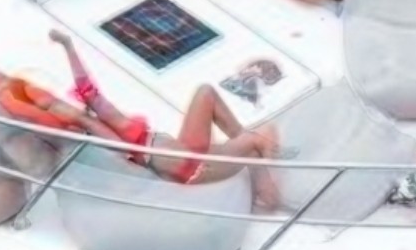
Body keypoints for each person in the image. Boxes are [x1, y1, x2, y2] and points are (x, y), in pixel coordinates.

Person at [62, 46, 281, 188]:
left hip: (185, 151)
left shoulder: (109, 121)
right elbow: (89, 95)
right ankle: (271, 181)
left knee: (206, 93)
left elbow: (88, 90)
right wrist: (68, 46)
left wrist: (68, 47)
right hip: (188, 164)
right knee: (259, 139)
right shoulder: (102, 133)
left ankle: (251, 151)